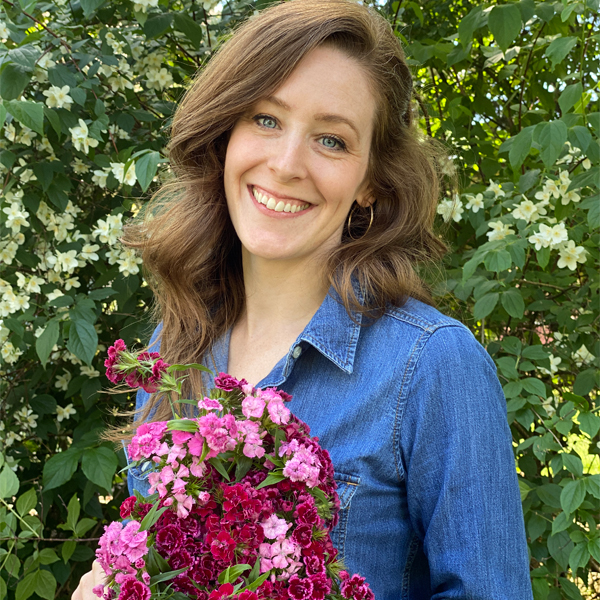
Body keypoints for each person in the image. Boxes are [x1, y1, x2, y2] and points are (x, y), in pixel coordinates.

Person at [73, 1, 533, 598]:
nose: (287, 164)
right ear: (225, 132)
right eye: (266, 119)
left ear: (370, 178)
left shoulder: (433, 369)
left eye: (331, 140)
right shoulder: (173, 349)